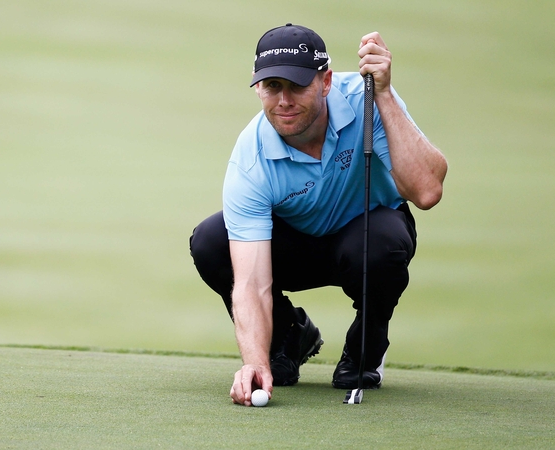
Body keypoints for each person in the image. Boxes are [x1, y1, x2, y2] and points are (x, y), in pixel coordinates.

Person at [189, 23, 447, 406]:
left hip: (367, 235)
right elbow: (251, 283)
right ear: (258, 87)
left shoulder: (368, 99)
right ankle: (289, 337)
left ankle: (365, 350)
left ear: (325, 82)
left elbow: (427, 191)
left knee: (384, 242)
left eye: (297, 86)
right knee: (212, 240)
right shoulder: (251, 159)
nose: (284, 100)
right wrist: (253, 362)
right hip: (297, 247)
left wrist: (386, 95)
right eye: (272, 86)